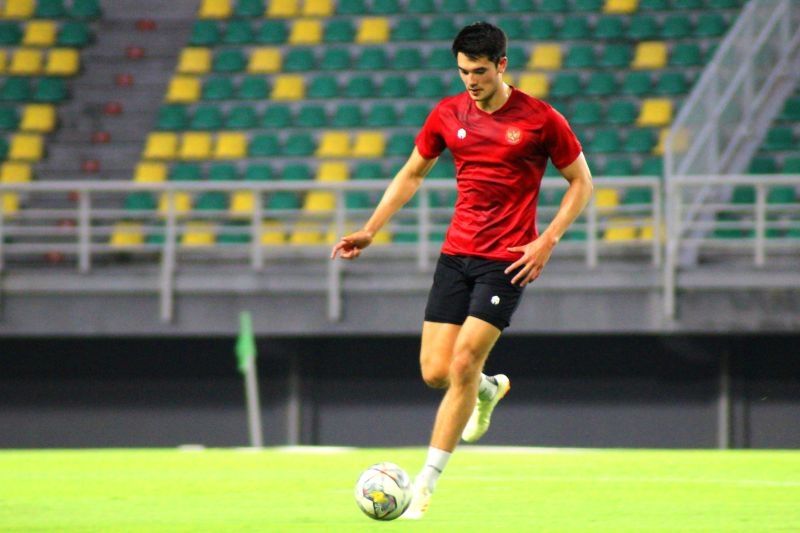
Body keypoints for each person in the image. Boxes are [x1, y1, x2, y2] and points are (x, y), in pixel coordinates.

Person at [331, 21, 593, 519]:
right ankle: (489, 390)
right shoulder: (447, 114)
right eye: (462, 72)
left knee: (462, 362)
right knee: (436, 372)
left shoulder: (540, 120)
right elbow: (411, 173)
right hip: (457, 255)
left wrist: (547, 240)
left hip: (508, 260)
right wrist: (370, 229)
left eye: (478, 71)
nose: (470, 81)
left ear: (501, 65)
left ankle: (425, 486)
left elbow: (581, 183)